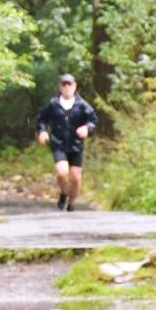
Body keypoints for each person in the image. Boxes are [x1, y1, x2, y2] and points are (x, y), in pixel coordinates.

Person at [36, 73, 99, 212]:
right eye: (64, 84)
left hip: (76, 145)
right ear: (60, 87)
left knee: (75, 178)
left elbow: (93, 120)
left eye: (69, 84)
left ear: (74, 86)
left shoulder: (82, 105)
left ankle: (72, 203)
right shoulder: (53, 104)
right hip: (58, 144)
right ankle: (64, 193)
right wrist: (42, 131)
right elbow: (41, 119)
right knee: (61, 172)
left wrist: (87, 128)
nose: (66, 87)